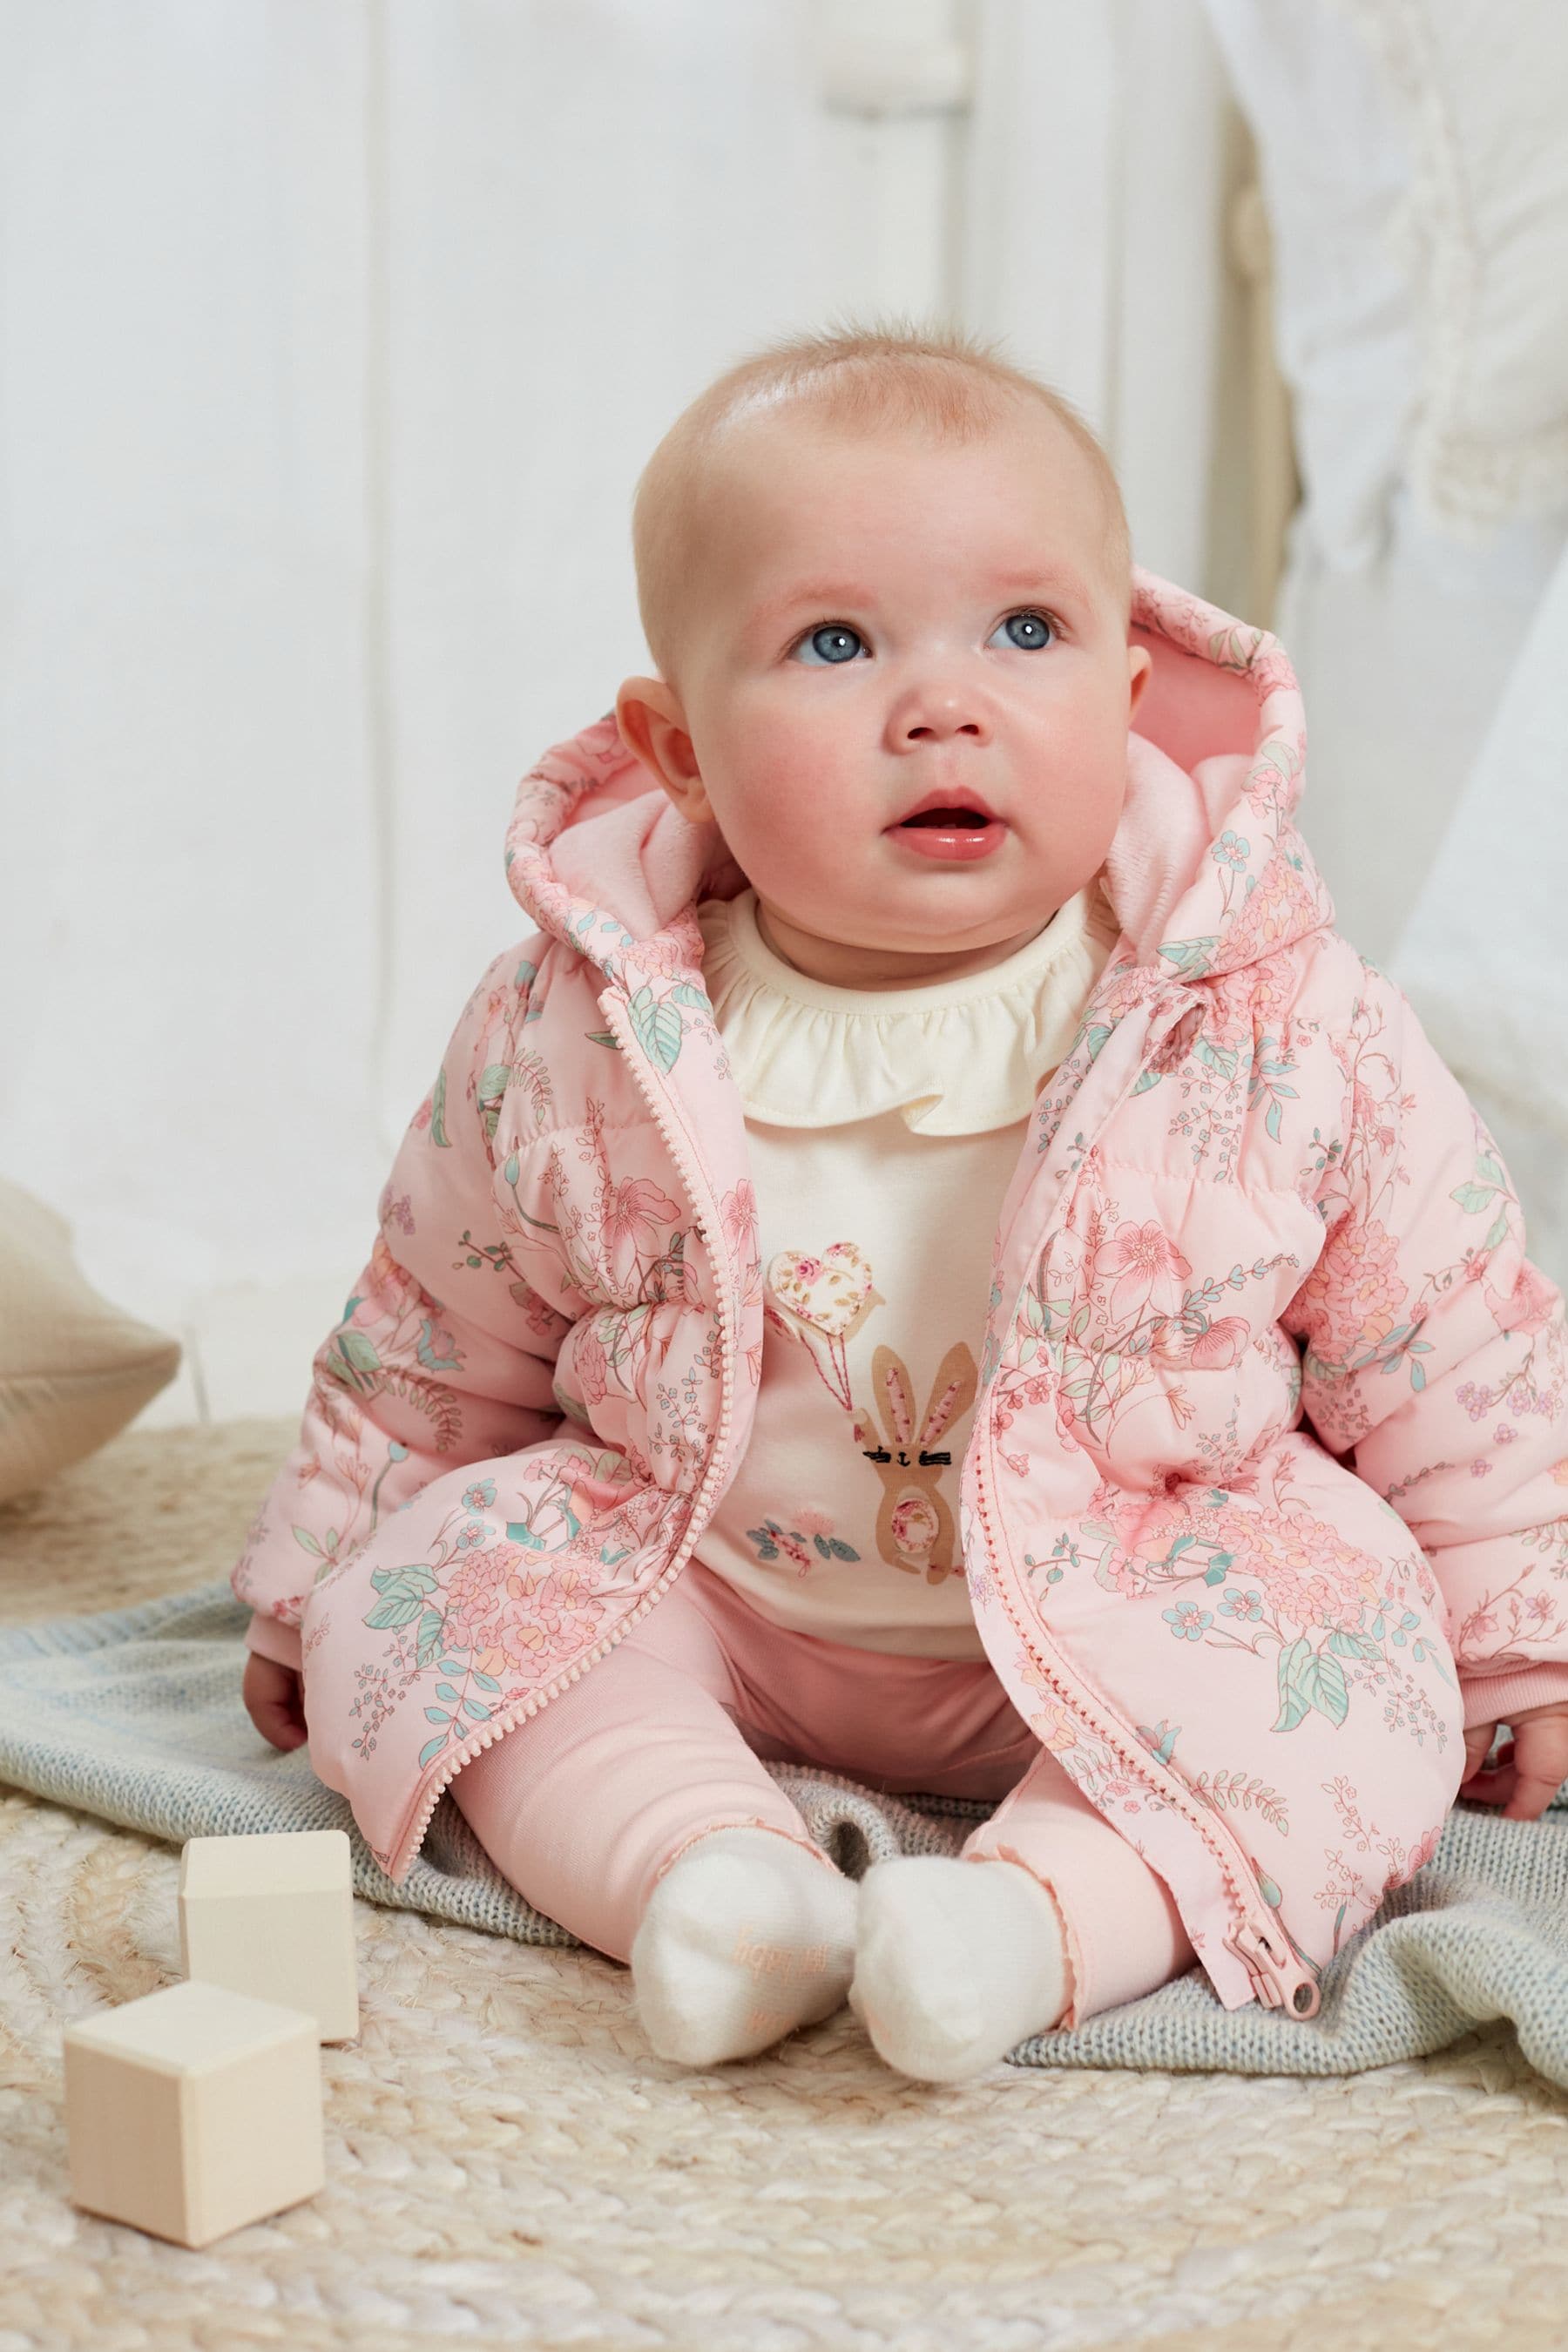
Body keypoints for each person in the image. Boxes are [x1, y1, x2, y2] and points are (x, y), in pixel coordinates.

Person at [235, 319, 1568, 2081]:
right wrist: (325, 1568)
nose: (944, 702)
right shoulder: (577, 1023)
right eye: (836, 641)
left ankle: (1027, 1925)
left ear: (1128, 690)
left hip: (1146, 1586)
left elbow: (1448, 1336)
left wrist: (1511, 1636)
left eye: (1026, 631)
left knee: (1346, 1664)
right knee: (431, 1610)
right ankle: (713, 1877)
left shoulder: (1270, 1017)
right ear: (684, 745)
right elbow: (434, 1321)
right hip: (708, 1585)